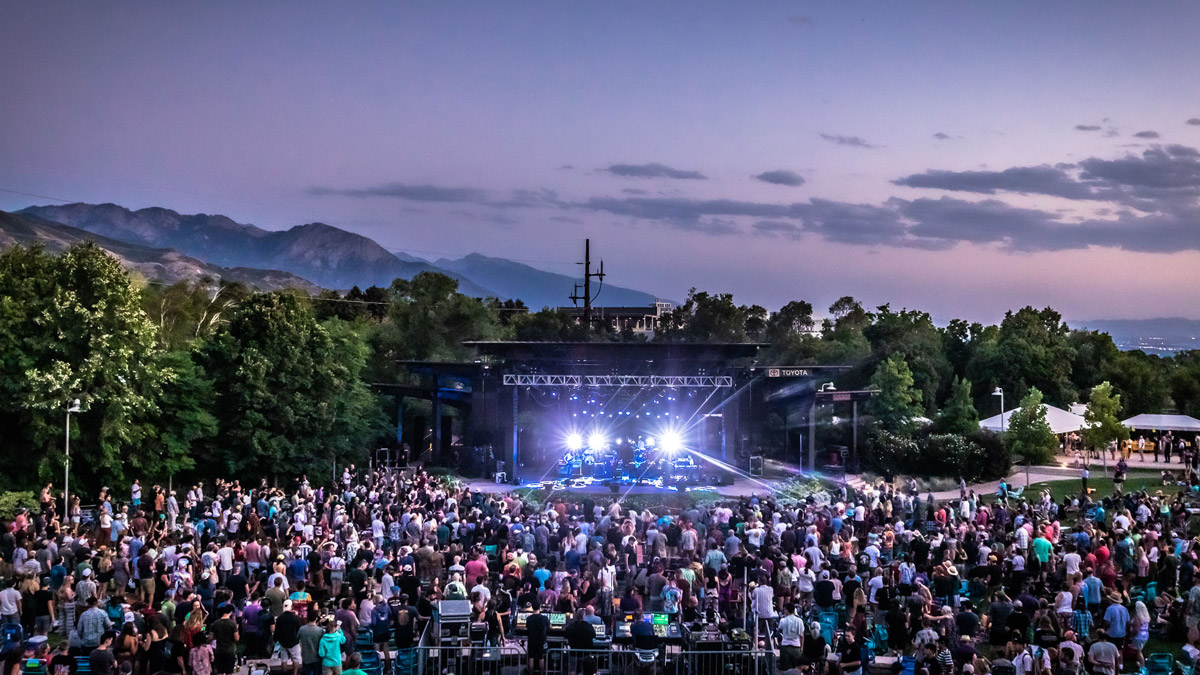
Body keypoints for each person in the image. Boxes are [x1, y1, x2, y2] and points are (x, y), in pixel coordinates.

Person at [210, 605, 240, 675]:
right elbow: (237, 638)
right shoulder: (232, 624)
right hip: (230, 650)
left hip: (219, 650)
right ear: (231, 612)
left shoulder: (216, 623)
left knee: (220, 671)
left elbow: (211, 637)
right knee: (229, 671)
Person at [525, 603, 550, 674]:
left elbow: (527, 628)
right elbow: (548, 628)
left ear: (532, 608)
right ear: (540, 607)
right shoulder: (544, 618)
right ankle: (542, 673)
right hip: (541, 640)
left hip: (532, 640)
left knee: (531, 657)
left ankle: (530, 673)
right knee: (541, 657)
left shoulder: (529, 618)